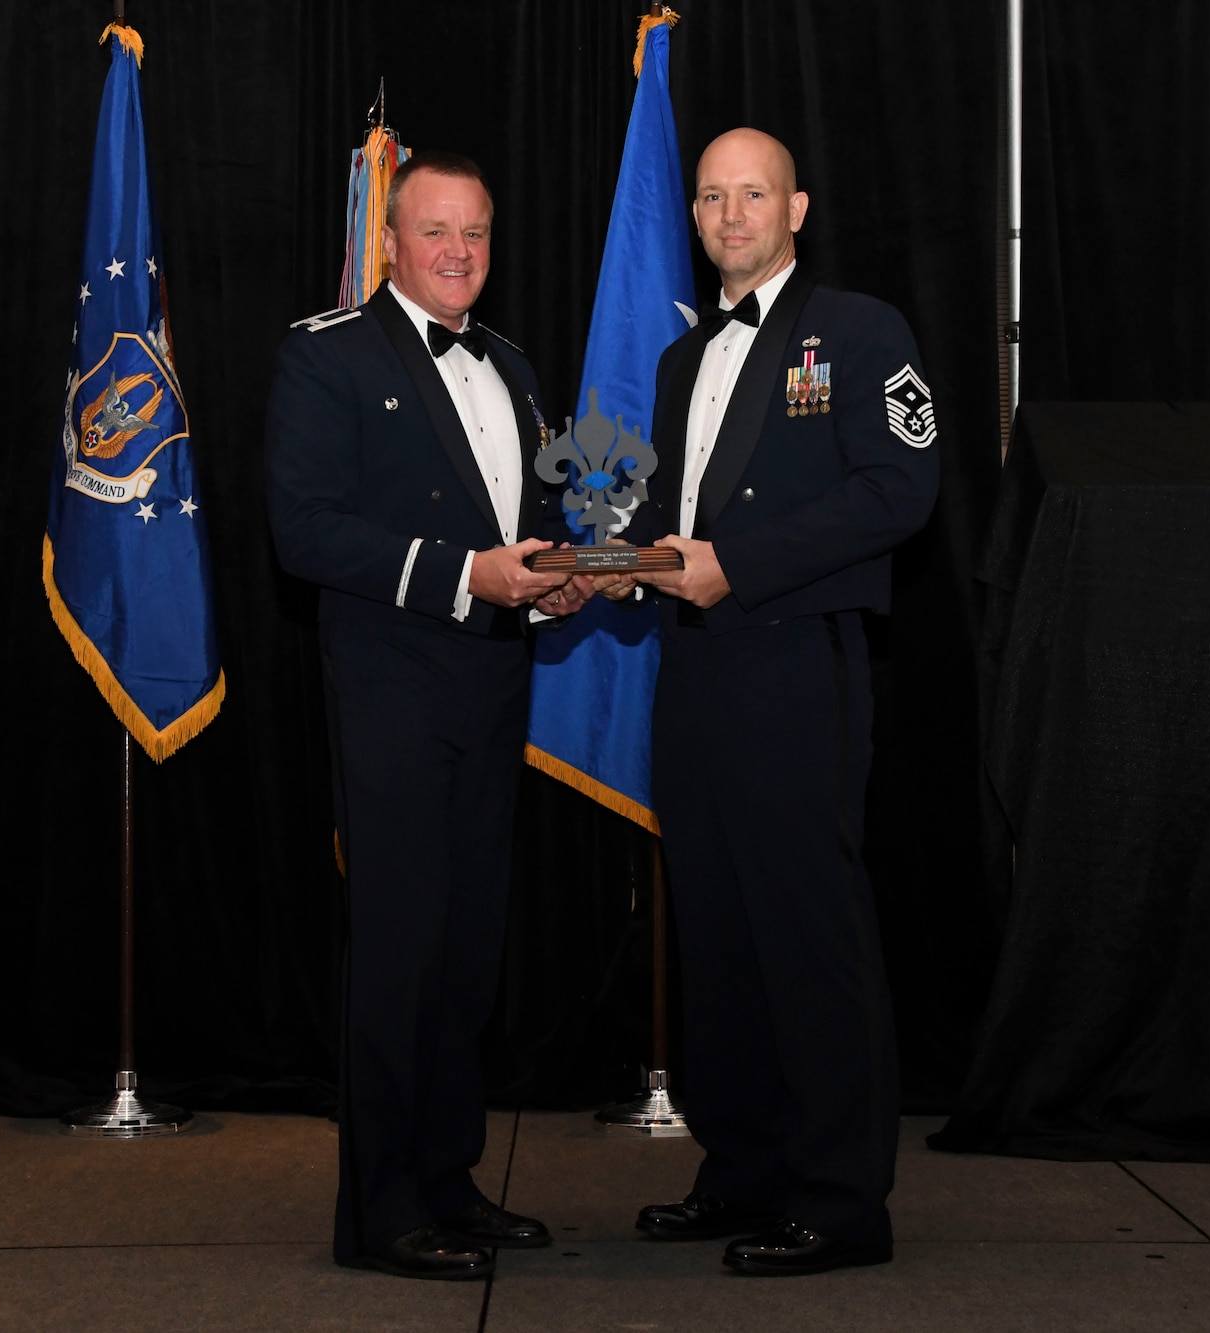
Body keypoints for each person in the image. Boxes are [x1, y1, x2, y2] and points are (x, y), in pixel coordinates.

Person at [597, 128, 940, 1275]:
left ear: (796, 208)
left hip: (798, 664)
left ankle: (841, 1201)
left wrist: (736, 564)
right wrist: (596, 573)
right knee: (719, 934)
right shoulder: (680, 363)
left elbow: (901, 487)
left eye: (752, 194)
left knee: (807, 935)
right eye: (709, 195)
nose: (729, 214)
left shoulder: (859, 331)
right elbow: (670, 525)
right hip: (694, 674)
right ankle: (740, 1170)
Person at [265, 151, 592, 1281]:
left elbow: (532, 517)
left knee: (467, 951)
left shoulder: (510, 362)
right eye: (436, 232)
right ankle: (382, 1210)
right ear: (393, 243)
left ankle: (448, 1178)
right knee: (400, 949)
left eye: (477, 234)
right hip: (393, 684)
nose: (458, 253)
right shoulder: (328, 355)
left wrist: (569, 571)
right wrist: (467, 573)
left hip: (497, 683)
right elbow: (302, 530)